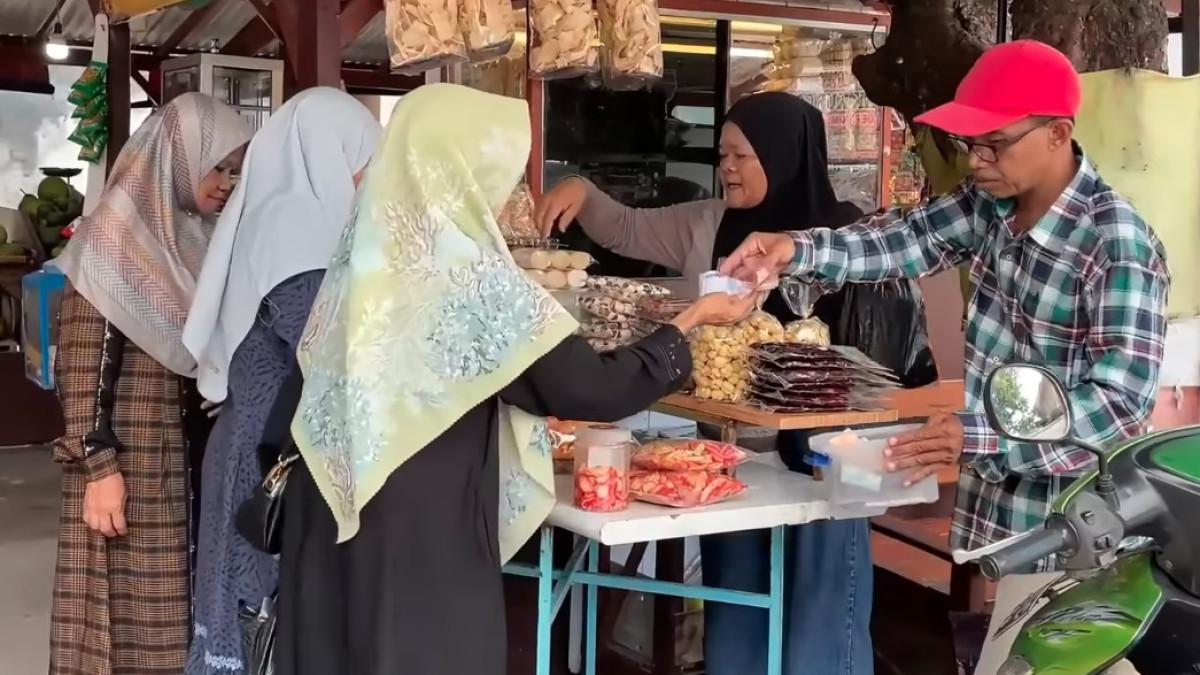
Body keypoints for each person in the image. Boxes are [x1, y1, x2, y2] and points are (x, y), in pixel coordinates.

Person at [270, 83, 754, 675]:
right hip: (419, 535)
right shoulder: (471, 281)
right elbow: (591, 391)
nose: (514, 196)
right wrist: (692, 320)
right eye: (502, 171)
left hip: (328, 512)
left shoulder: (362, 264)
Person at [720, 40, 1169, 671]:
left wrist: (977, 435)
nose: (977, 161)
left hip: (1076, 528)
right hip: (997, 515)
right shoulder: (990, 207)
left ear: (1058, 134)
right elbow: (905, 238)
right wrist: (795, 249)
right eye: (969, 145)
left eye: (994, 143)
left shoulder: (1116, 245)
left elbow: (1117, 409)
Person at [537, 92, 921, 675]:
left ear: (783, 153)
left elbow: (895, 344)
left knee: (826, 581)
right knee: (736, 581)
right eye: (722, 155)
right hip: (730, 443)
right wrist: (583, 191)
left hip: (835, 446)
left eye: (742, 155)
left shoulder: (849, 237)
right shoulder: (709, 222)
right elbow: (625, 228)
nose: (728, 168)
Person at [50, 93, 251, 675]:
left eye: (234, 171)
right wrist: (98, 467)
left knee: (170, 616)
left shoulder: (195, 239)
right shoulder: (112, 238)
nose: (225, 183)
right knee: (123, 614)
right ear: (176, 158)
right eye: (216, 166)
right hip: (125, 470)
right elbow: (85, 357)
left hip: (175, 463)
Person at [181, 87, 381, 675]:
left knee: (248, 617)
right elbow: (332, 356)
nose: (370, 180)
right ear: (328, 154)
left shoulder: (274, 217)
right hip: (265, 464)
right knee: (258, 621)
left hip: (254, 445)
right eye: (365, 162)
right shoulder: (298, 234)